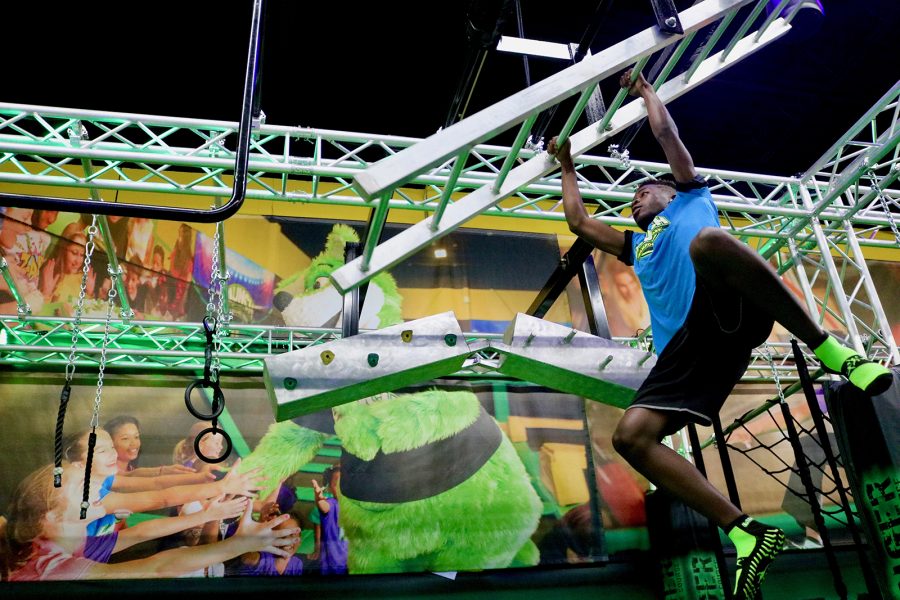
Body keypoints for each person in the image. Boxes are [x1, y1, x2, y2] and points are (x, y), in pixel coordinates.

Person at [548, 68, 893, 600]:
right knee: (630, 436)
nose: (636, 198)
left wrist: (645, 91)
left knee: (708, 244)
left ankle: (832, 352)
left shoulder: (692, 199)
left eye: (644, 191)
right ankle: (745, 531)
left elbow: (668, 136)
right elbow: (577, 222)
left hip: (727, 310)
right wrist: (567, 164)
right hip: (686, 353)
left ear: (670, 192)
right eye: (632, 198)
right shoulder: (636, 247)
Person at [0, 464, 298, 581]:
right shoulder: (54, 568)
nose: (98, 489)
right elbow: (157, 567)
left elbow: (141, 532)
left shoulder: (58, 539)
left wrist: (207, 514)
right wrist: (239, 544)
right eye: (84, 487)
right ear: (52, 517)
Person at [104, 415, 196, 477]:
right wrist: (162, 471)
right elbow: (127, 477)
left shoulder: (131, 468)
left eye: (136, 437)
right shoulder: (105, 471)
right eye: (125, 439)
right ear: (110, 443)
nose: (134, 444)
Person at [232, 501, 304, 576]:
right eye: (281, 534)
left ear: (299, 540)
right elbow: (248, 558)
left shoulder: (297, 564)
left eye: (292, 534)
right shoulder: (264, 557)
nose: (286, 540)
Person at [308, 465, 347, 575]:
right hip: (333, 561)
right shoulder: (332, 504)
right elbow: (325, 508)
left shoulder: (357, 507)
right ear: (329, 488)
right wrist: (319, 500)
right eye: (336, 485)